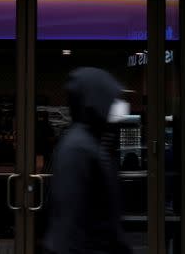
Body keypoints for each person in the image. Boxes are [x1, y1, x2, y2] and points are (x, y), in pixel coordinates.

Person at [43, 67, 133, 254]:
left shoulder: (92, 141)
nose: (118, 105)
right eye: (112, 98)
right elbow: (70, 221)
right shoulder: (78, 148)